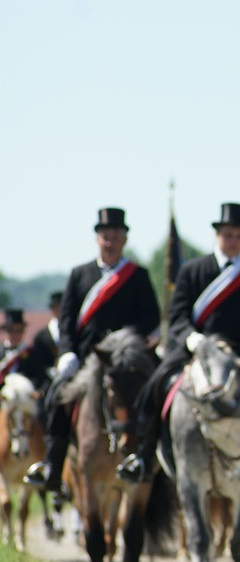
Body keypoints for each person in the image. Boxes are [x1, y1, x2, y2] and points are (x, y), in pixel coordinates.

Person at [116, 203, 240, 483]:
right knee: (153, 388)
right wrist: (190, 337)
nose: (232, 240)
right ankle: (144, 457)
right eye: (227, 234)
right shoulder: (192, 270)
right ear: (217, 235)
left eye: (238, 235)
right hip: (197, 352)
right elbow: (177, 315)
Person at [25, 208, 161, 492]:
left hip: (125, 361)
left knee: (157, 392)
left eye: (115, 237)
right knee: (56, 396)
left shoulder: (137, 275)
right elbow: (66, 320)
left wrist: (126, 340)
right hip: (88, 359)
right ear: (97, 239)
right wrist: (67, 352)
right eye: (105, 237)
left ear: (123, 240)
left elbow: (150, 316)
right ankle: (52, 462)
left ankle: (152, 458)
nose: (109, 243)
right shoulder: (79, 275)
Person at [0, 309, 29, 386]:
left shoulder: (31, 353)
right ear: (6, 331)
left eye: (19, 330)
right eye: (11, 330)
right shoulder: (0, 351)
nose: (15, 335)